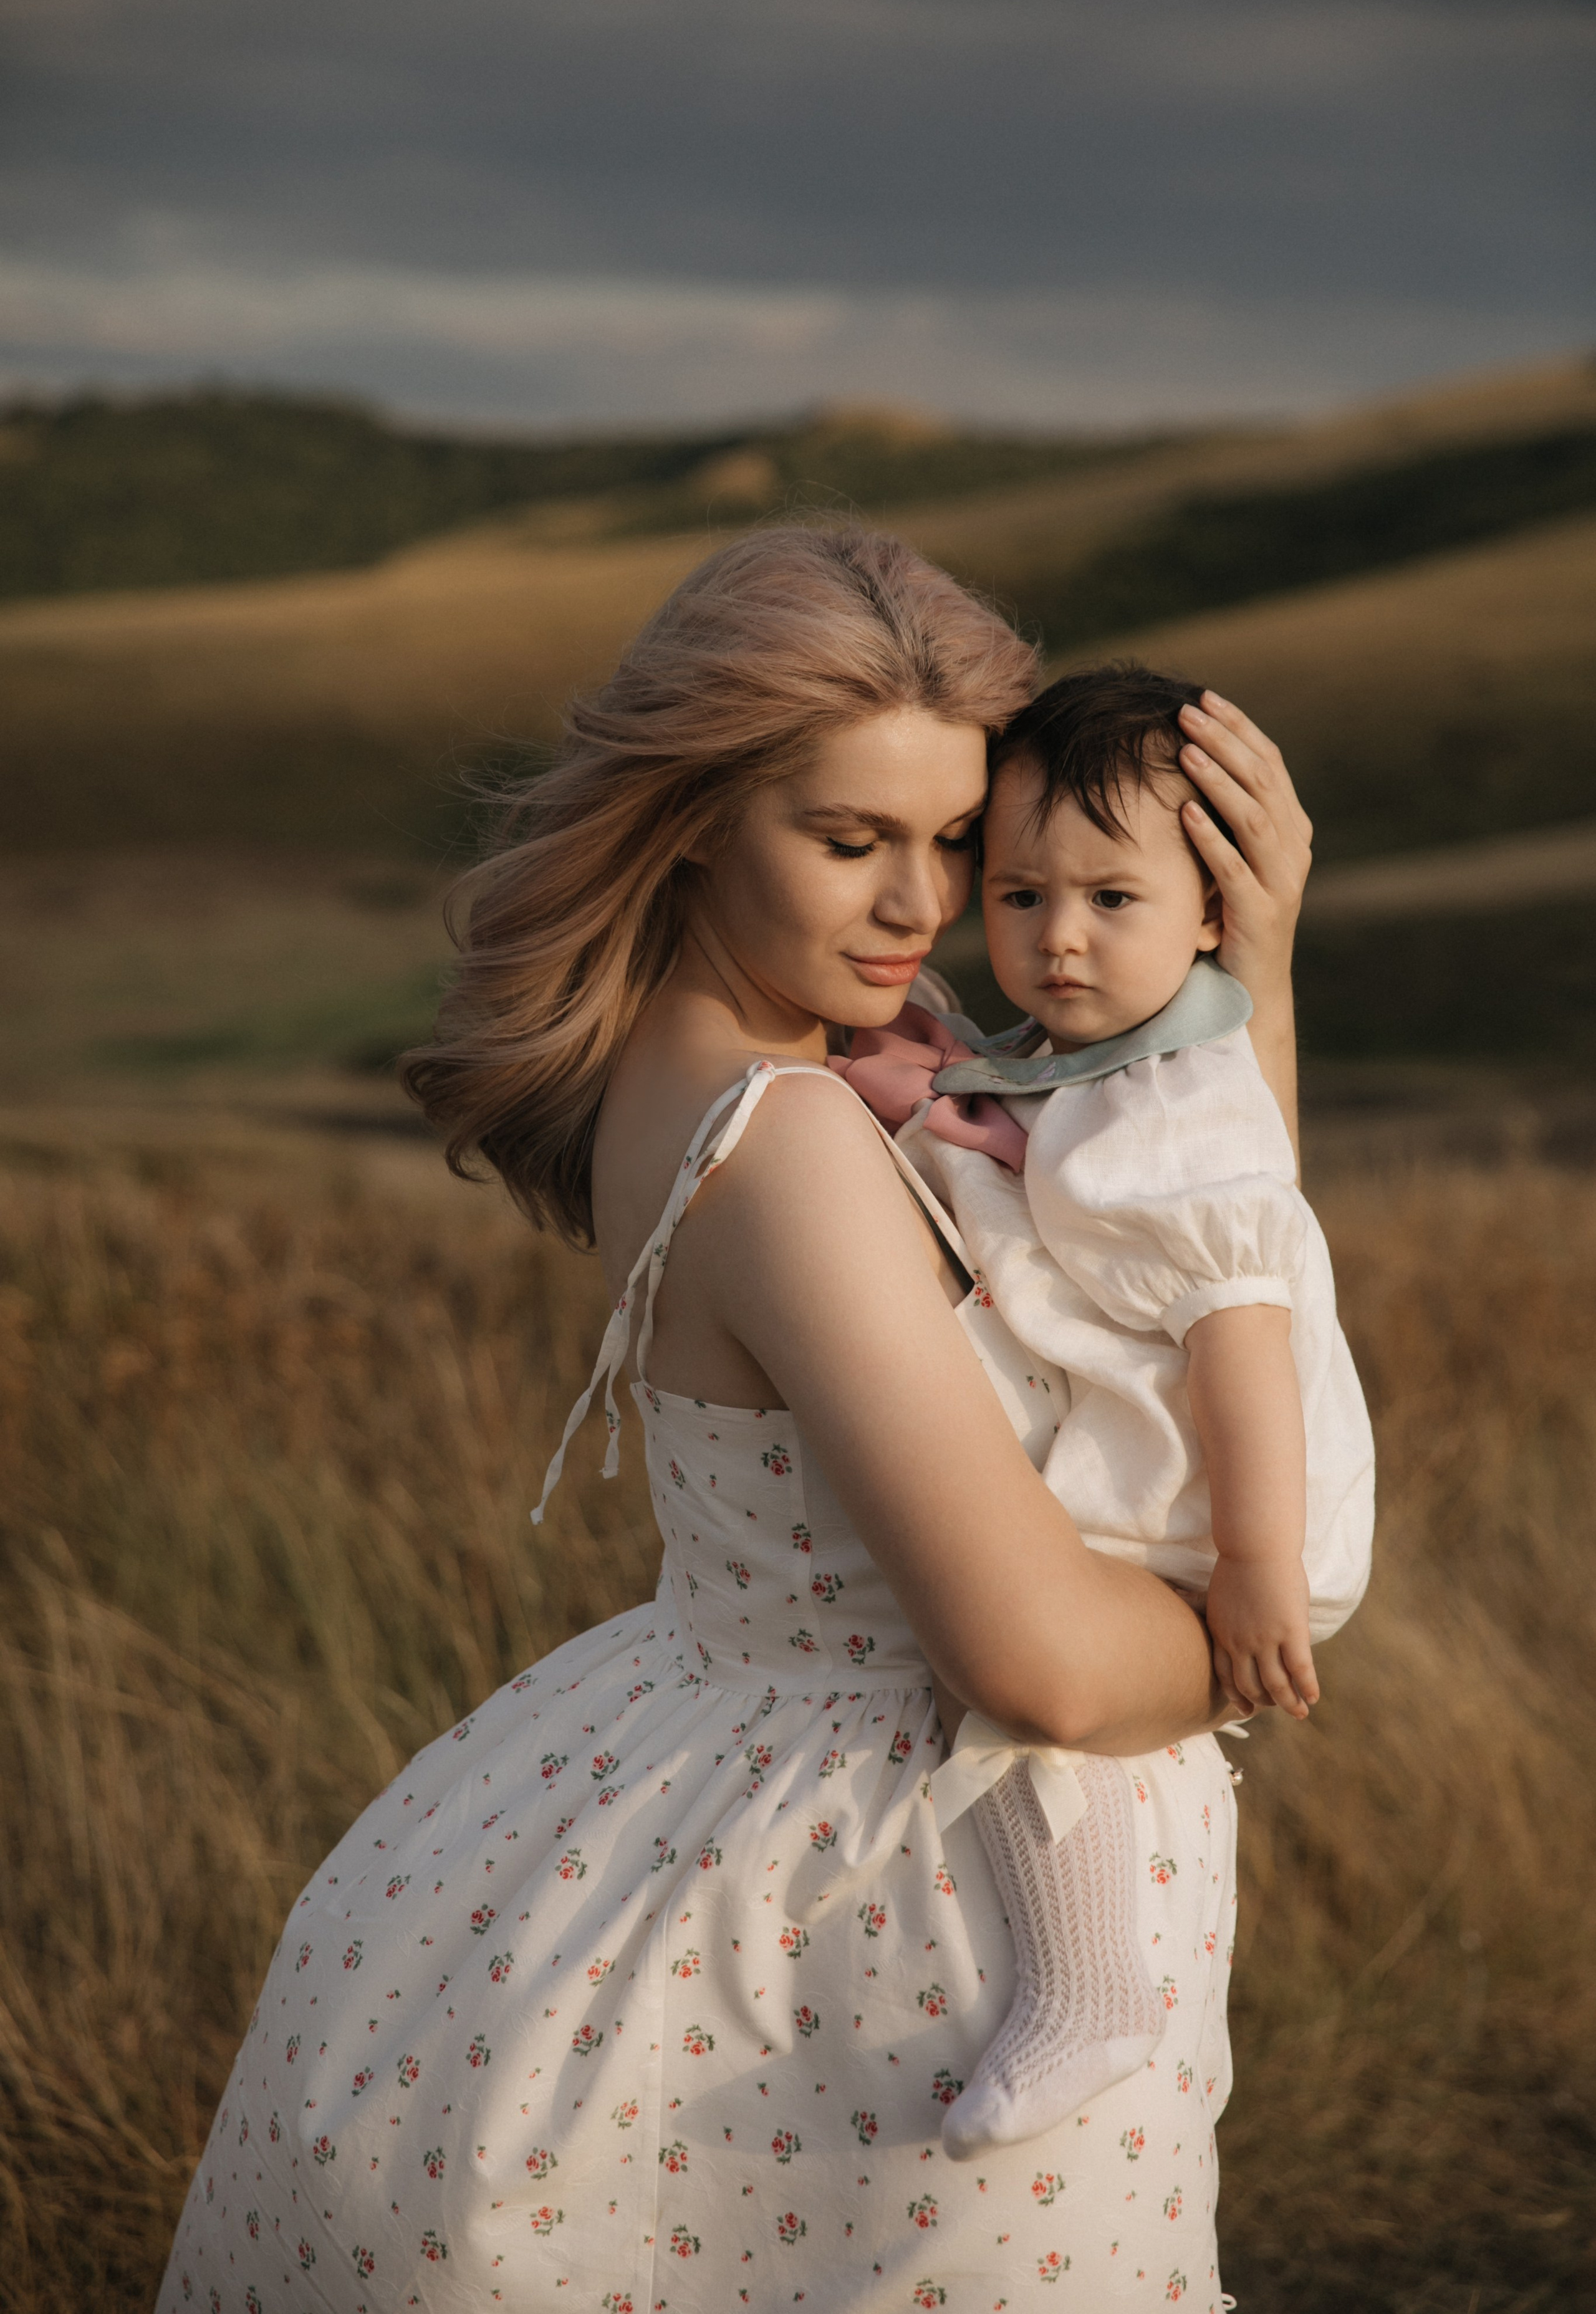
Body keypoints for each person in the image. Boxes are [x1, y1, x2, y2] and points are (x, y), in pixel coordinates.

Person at [158, 530, 1312, 2314]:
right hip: (893, 1902)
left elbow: (1194, 1240)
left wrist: (1259, 966)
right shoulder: (781, 1138)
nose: (920, 908)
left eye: (954, 842)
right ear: (694, 814)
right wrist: (1279, 1615)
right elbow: (1050, 1676)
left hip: (730, 1758)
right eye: (849, 842)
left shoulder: (803, 1046)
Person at [835, 660, 1374, 2161]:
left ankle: (1087, 1991)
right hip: (1162, 1471)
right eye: (1018, 897)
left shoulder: (1183, 1105)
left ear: (1210, 912)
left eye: (1110, 902)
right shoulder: (1096, 1069)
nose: (1057, 940)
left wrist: (1256, 1559)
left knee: (1022, 1687)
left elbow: (1241, 1338)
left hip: (1212, 1498)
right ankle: (1096, 1977)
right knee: (1041, 1700)